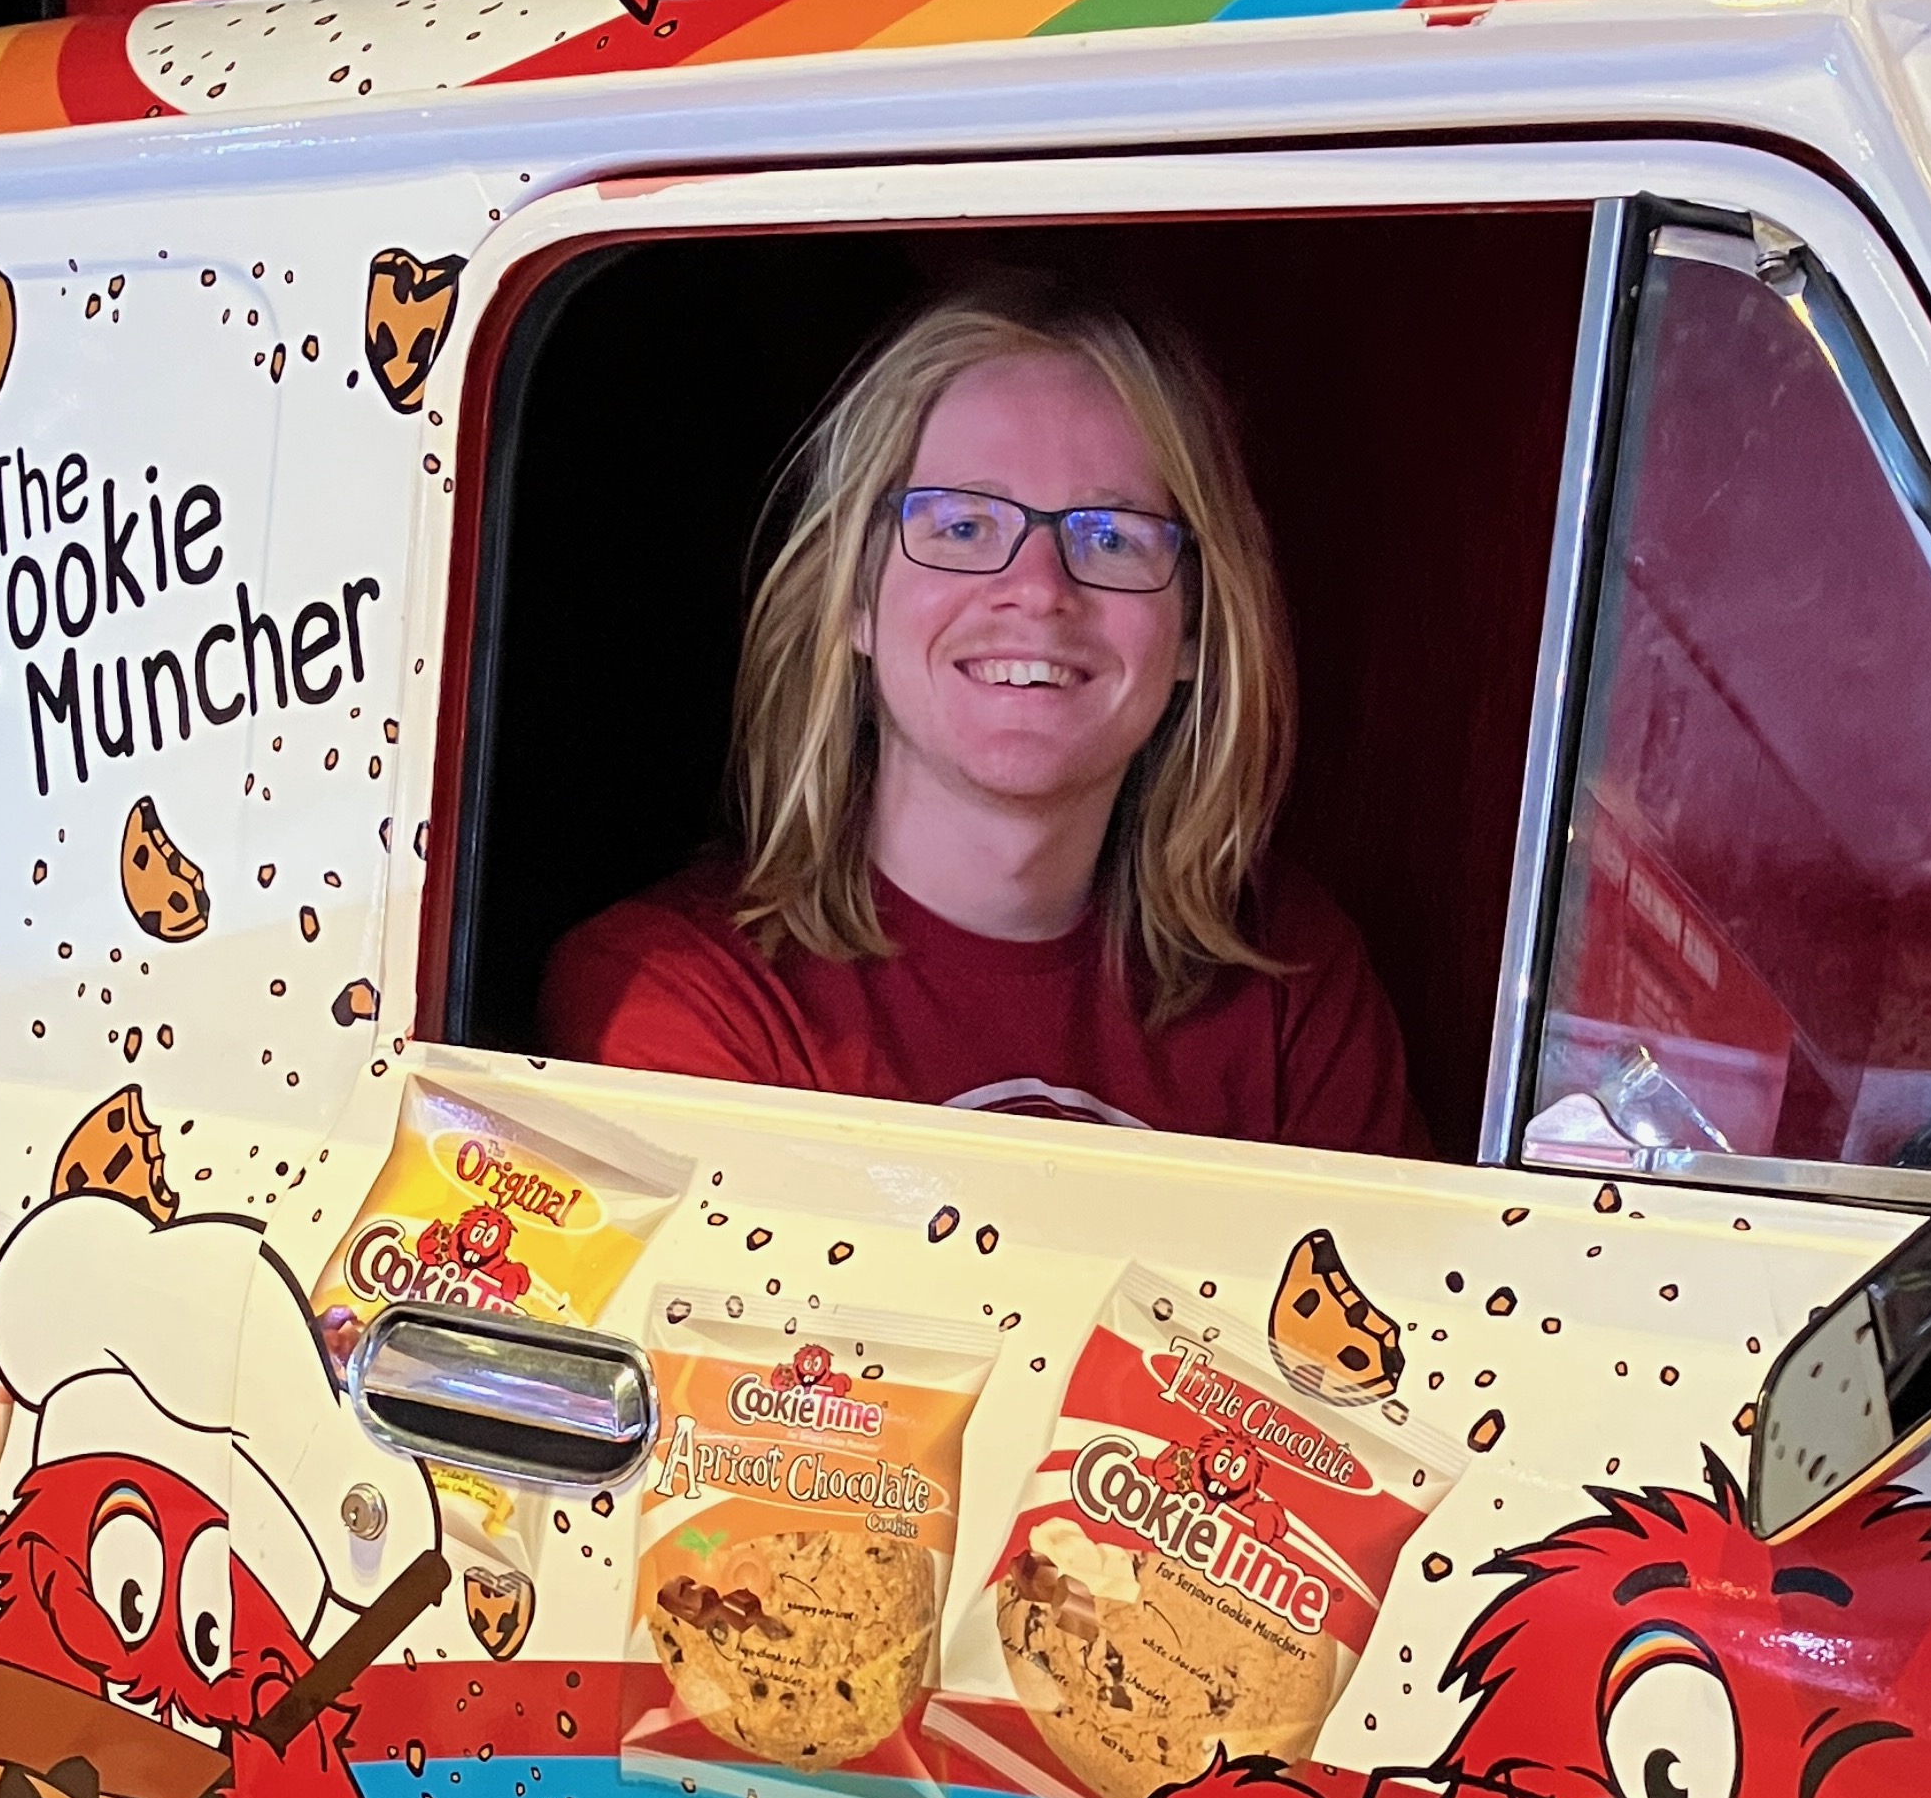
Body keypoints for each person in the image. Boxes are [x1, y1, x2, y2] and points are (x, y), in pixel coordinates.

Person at [539, 283, 1427, 1157]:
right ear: (854, 596)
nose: (1040, 589)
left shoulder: (1289, 981)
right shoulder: (673, 992)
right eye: (963, 525)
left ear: (1195, 626)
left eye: (1111, 536)